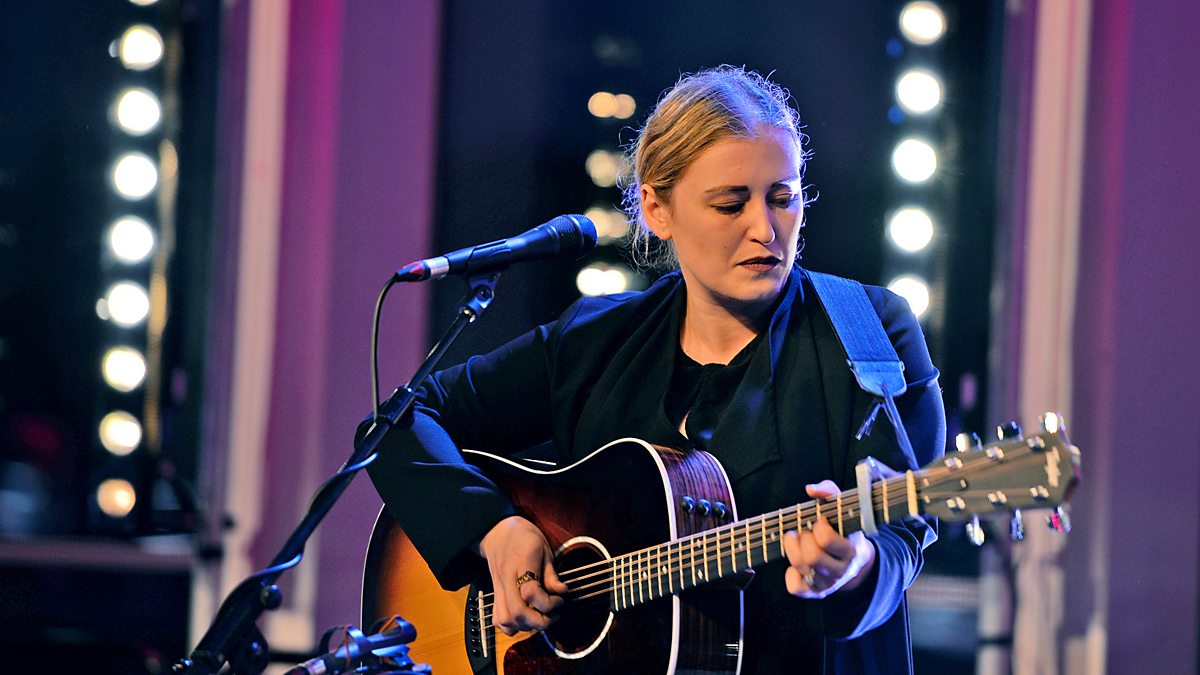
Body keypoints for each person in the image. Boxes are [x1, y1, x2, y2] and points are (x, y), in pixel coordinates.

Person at [365, 65, 945, 674]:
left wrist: (858, 569)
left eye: (783, 198)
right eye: (730, 204)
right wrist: (494, 530)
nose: (765, 229)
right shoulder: (595, 340)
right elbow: (399, 422)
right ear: (656, 208)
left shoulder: (868, 331)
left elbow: (905, 530)